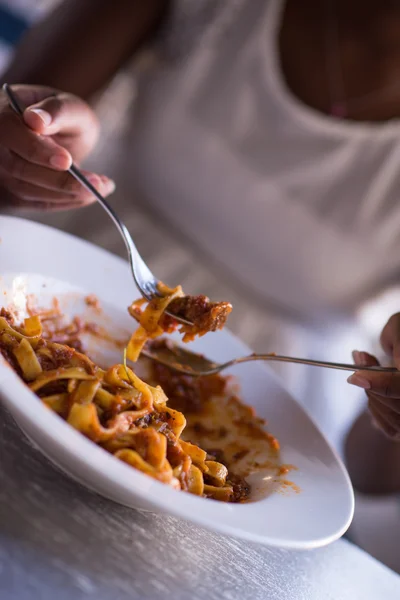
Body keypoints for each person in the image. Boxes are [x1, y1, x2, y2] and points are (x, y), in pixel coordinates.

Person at [1, 0, 400, 568]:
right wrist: (35, 152)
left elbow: (369, 473)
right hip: (49, 261)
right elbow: (18, 109)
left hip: (268, 411)